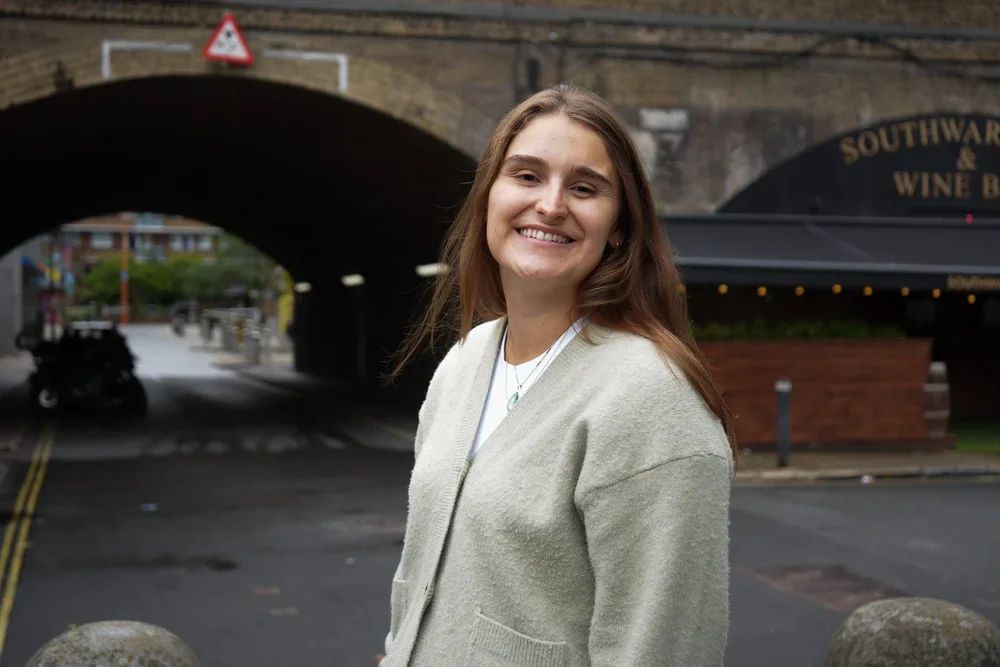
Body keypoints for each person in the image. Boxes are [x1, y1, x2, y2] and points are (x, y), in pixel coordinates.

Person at [380, 83, 737, 667]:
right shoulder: (463, 364)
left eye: (585, 188)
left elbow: (661, 646)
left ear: (619, 224)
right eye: (525, 175)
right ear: (488, 198)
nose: (550, 205)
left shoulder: (650, 398)